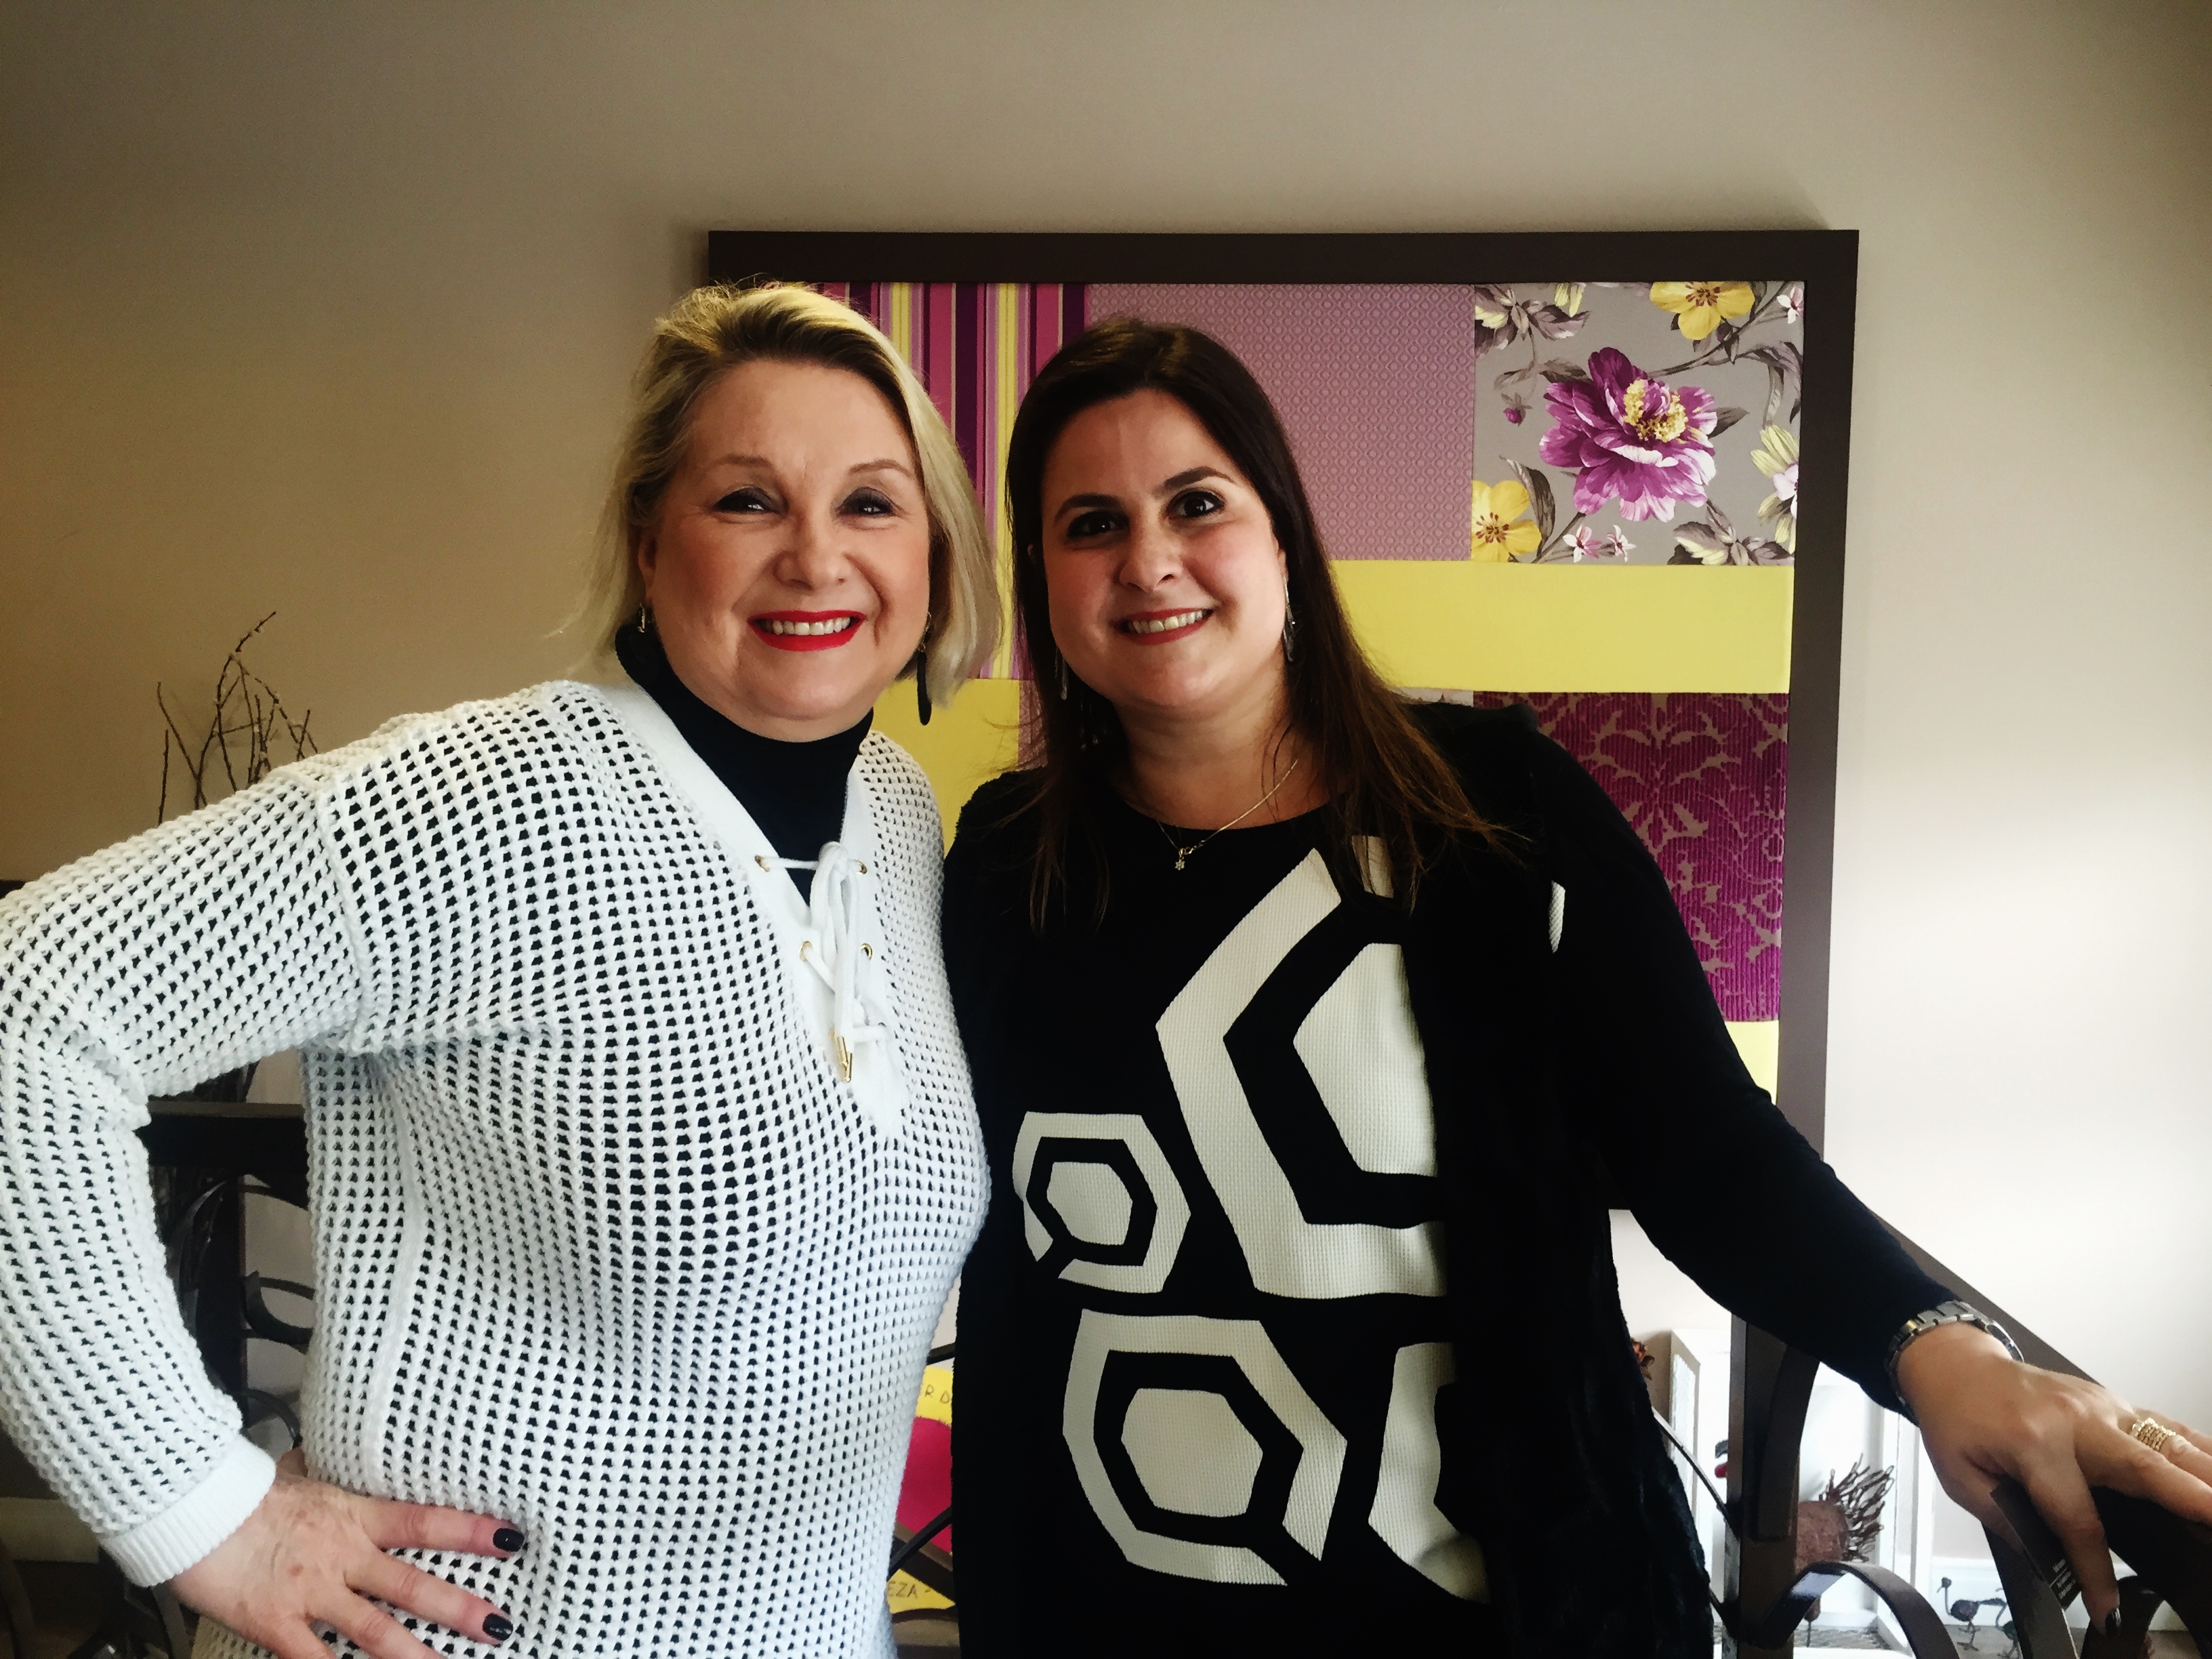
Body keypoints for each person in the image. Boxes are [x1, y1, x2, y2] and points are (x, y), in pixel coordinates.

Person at [939, 319, 2212, 1658]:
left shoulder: (1494, 810)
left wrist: (1934, 1346)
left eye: (1197, 504)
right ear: (1043, 576)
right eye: (1091, 523)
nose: (1149, 561)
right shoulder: (1004, 867)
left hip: (1490, 1619)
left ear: (1282, 539)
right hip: (1101, 1617)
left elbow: (1707, 1152)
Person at [0, 283, 997, 1659]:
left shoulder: (897, 817)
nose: (817, 556)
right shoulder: (485, 805)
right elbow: (26, 1009)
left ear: (936, 551)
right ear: (648, 540)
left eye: (871, 503)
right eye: (747, 500)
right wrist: (194, 1505)